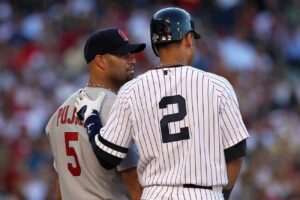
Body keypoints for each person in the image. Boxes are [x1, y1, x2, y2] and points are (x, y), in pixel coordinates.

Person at [75, 7, 249, 200]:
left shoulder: (132, 90)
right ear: (188, 39)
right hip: (203, 193)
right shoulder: (218, 86)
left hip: (156, 194)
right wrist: (220, 195)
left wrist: (90, 117)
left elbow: (108, 156)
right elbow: (236, 153)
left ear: (155, 46)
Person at [45, 28, 146, 200]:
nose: (132, 60)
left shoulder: (59, 113)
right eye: (123, 55)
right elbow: (132, 179)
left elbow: (62, 183)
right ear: (100, 61)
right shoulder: (116, 106)